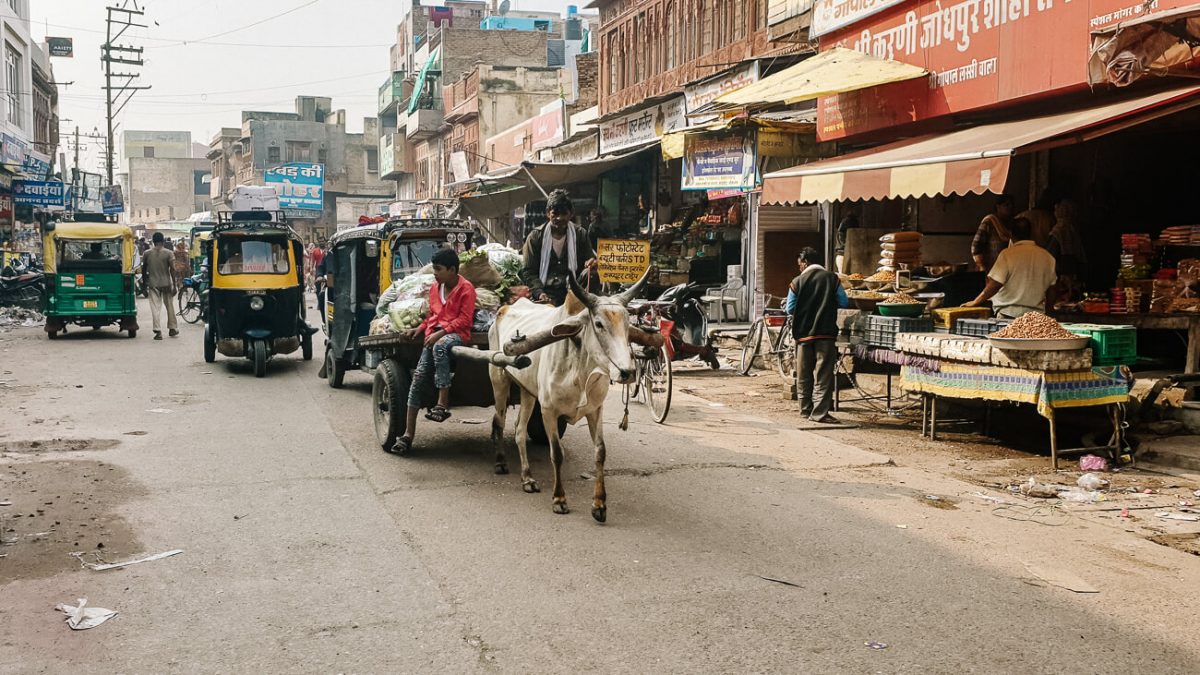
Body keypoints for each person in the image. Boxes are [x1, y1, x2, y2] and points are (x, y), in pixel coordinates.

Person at [393, 247, 477, 455]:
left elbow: (465, 321)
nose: (435, 274)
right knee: (418, 380)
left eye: (438, 269)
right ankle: (407, 435)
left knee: (440, 345)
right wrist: (419, 329)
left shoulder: (467, 289)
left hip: (457, 335)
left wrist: (440, 334)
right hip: (433, 336)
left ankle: (442, 402)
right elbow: (432, 317)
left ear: (452, 269)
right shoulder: (434, 289)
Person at [786, 247, 848, 425]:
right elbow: (844, 301)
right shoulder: (832, 278)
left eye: (799, 264)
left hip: (803, 334)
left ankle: (805, 410)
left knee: (804, 374)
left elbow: (790, 308)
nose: (799, 267)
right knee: (823, 375)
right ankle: (820, 413)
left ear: (805, 262)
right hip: (825, 333)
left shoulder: (797, 282)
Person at [964, 217, 1057, 319]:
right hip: (1035, 318)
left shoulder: (1007, 255)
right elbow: (1052, 289)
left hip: (1008, 315)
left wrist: (976, 301)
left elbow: (995, 284)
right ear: (1031, 233)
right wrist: (1049, 312)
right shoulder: (1048, 257)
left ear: (1011, 234)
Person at [520, 189, 595, 307]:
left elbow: (589, 260)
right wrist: (539, 293)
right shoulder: (535, 237)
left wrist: (591, 263)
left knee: (591, 274)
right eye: (555, 214)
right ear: (548, 213)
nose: (560, 218)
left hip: (574, 291)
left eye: (564, 214)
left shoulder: (580, 234)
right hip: (547, 292)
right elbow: (529, 271)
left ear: (571, 214)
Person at [1046, 199, 1088, 302]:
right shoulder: (1073, 229)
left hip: (1060, 277)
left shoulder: (1057, 231)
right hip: (1073, 277)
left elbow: (1049, 255)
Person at [142, 232, 179, 339]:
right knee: (170, 306)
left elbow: (144, 271)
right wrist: (175, 285)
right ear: (163, 241)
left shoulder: (147, 253)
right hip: (166, 283)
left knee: (155, 308)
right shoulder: (169, 253)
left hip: (153, 284)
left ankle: (158, 331)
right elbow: (172, 270)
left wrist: (144, 286)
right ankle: (172, 328)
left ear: (153, 242)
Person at [971, 194, 1015, 272]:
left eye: (1012, 205)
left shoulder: (1011, 223)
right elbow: (976, 246)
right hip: (990, 269)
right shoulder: (989, 221)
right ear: (998, 207)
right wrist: (981, 266)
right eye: (1006, 205)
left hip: (1006, 269)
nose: (1010, 207)